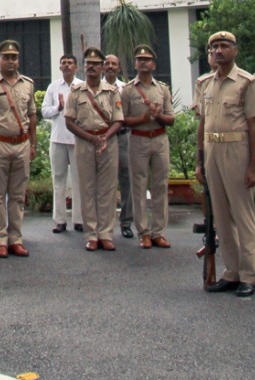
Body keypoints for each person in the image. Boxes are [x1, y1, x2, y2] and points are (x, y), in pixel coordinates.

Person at [196, 30, 255, 297]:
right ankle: (231, 272)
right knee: (221, 216)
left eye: (224, 46)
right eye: (215, 47)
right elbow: (202, 124)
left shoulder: (247, 82)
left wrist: (252, 166)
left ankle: (249, 275)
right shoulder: (206, 83)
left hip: (237, 150)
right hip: (212, 150)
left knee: (242, 216)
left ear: (235, 51)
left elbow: (254, 126)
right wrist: (200, 162)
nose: (219, 51)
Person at [0, 40, 36, 258]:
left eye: (14, 57)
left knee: (18, 195)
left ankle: (15, 239)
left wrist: (34, 143)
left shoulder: (27, 84)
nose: (10, 61)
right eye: (6, 57)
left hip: (21, 143)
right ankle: (0, 240)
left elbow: (32, 115)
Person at [65, 47, 123, 251]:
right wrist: (91, 138)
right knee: (87, 189)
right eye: (88, 64)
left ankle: (106, 233)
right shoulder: (76, 92)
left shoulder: (112, 91)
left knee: (107, 190)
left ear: (102, 67)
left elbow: (118, 120)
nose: (92, 67)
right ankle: (91, 234)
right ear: (83, 67)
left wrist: (104, 137)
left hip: (108, 141)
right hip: (84, 142)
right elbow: (69, 122)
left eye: (96, 64)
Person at [120, 44, 175, 248]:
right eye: (139, 59)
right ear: (135, 64)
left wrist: (158, 115)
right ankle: (143, 232)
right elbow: (122, 120)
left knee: (161, 186)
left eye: (147, 59)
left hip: (160, 139)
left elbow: (171, 118)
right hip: (138, 139)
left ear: (153, 64)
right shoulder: (127, 91)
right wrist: (143, 117)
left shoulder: (162, 89)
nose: (143, 62)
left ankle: (158, 231)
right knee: (139, 186)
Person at [41, 53, 83, 233]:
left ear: (76, 67)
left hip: (77, 139)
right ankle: (60, 220)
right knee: (58, 180)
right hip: (57, 138)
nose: (66, 66)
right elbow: (44, 111)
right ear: (60, 67)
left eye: (70, 63)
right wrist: (58, 108)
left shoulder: (82, 86)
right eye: (63, 63)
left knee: (78, 180)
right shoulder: (53, 87)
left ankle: (79, 219)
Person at [103, 53, 133, 238]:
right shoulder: (93, 87)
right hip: (103, 137)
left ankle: (126, 222)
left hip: (122, 137)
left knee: (126, 178)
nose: (110, 66)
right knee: (105, 181)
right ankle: (105, 225)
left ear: (119, 68)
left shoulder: (126, 89)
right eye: (107, 63)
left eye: (114, 64)